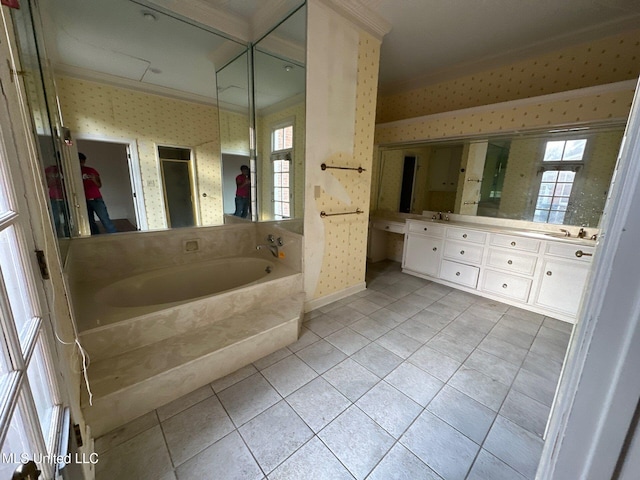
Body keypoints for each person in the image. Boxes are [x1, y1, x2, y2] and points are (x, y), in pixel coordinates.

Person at [79, 152, 117, 234]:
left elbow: (99, 185)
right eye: (80, 161)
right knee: (89, 221)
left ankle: (114, 235)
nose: (81, 163)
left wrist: (93, 179)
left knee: (104, 218)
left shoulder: (91, 170)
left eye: (82, 161)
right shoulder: (72, 172)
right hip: (82, 200)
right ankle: (95, 237)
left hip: (96, 198)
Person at [44, 162, 69, 237]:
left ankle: (68, 236)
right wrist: (53, 179)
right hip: (54, 199)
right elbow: (47, 184)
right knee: (56, 220)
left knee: (68, 221)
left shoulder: (67, 169)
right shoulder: (49, 170)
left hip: (67, 198)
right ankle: (57, 238)